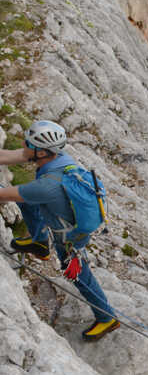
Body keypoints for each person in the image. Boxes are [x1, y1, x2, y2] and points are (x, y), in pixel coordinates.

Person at [0, 120, 120, 341]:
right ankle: (39, 243)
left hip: (68, 238)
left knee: (76, 274)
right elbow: (8, 155)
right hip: (62, 218)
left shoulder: (47, 186)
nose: (24, 145)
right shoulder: (60, 160)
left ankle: (106, 318)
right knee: (28, 200)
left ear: (42, 152)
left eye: (29, 143)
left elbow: (4, 195)